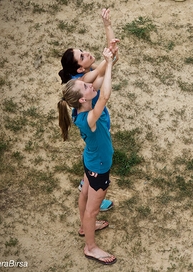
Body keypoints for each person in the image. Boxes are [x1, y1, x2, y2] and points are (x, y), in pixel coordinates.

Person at [58, 46, 117, 265]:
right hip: (99, 166)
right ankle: (90, 247)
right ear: (82, 99)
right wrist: (108, 64)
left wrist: (109, 59)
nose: (88, 84)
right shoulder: (90, 117)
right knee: (93, 209)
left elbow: (98, 83)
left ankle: (84, 227)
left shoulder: (78, 110)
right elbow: (106, 94)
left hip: (89, 160)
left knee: (85, 193)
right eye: (85, 85)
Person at [59, 8, 118, 212]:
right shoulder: (84, 82)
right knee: (96, 155)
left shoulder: (82, 78)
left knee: (91, 152)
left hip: (89, 125)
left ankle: (87, 184)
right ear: (80, 69)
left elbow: (110, 59)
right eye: (82, 56)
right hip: (92, 122)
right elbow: (108, 64)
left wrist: (108, 28)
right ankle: (93, 193)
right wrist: (107, 28)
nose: (86, 53)